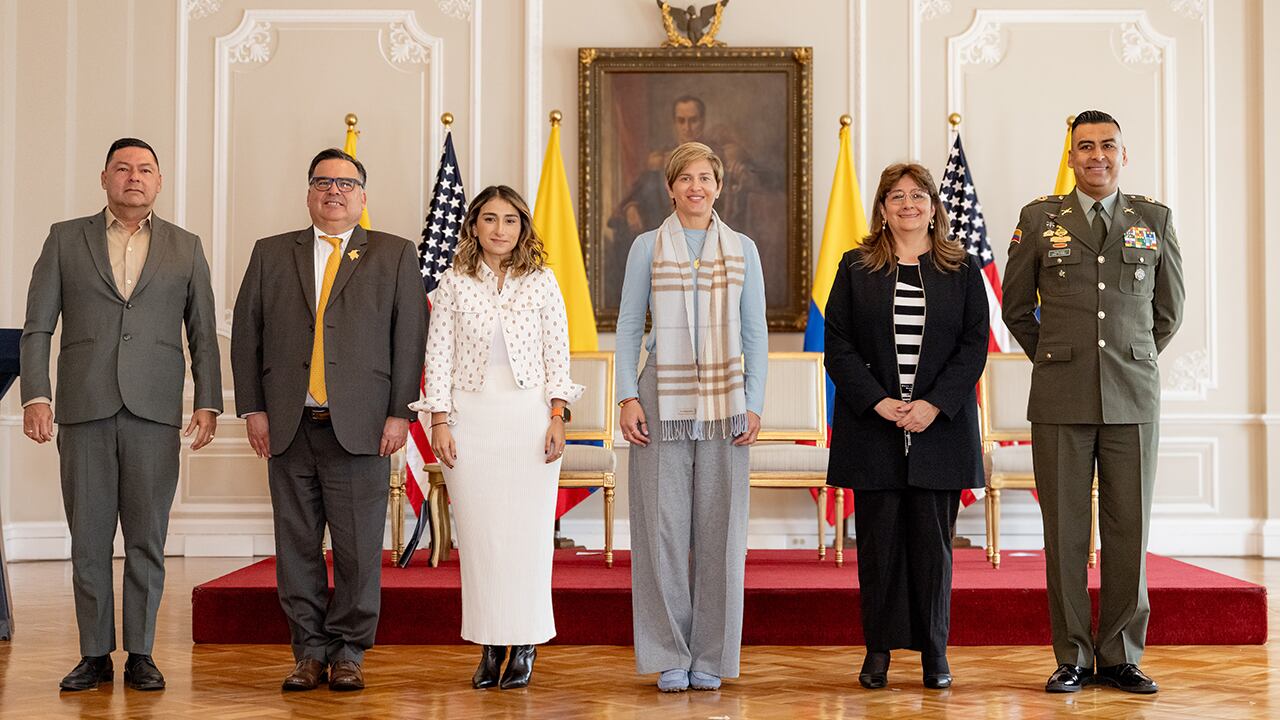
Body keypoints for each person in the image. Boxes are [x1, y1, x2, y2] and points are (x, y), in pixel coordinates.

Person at [20, 137, 222, 691]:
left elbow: (203, 333)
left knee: (146, 538)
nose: (134, 177)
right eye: (123, 168)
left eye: (145, 169)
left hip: (155, 411)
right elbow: (38, 325)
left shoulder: (186, 246)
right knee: (87, 537)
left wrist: (208, 401)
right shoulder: (65, 239)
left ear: (158, 182)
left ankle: (140, 653)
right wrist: (36, 395)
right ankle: (93, 654)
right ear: (104, 177)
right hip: (83, 407)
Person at [230, 148, 428, 692]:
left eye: (346, 183)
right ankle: (308, 652)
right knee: (296, 546)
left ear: (363, 197)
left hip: (362, 427)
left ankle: (348, 652)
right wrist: (255, 408)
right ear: (309, 193)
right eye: (322, 182)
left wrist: (399, 415)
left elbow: (409, 342)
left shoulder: (392, 254)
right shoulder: (272, 253)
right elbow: (247, 336)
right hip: (288, 426)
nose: (333, 191)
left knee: (358, 549)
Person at [1003, 110, 1185, 694]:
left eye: (1108, 145)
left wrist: (1127, 358)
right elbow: (1014, 308)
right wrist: (1058, 356)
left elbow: (1168, 312)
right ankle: (1074, 655)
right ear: (1071, 156)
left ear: (1123, 154)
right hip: (1060, 396)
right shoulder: (1040, 219)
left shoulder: (1152, 218)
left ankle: (1122, 655)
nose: (1097, 155)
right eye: (1085, 147)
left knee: (1129, 528)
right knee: (1065, 532)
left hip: (1132, 395)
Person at [823, 163, 989, 690]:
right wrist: (877, 402)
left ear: (935, 206)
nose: (909, 204)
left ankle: (935, 655)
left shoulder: (961, 270)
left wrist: (934, 405)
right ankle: (877, 653)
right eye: (897, 196)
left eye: (919, 195)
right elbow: (838, 346)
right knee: (878, 549)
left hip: (940, 431)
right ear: (882, 207)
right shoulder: (855, 267)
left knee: (934, 550)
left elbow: (972, 346)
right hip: (873, 430)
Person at [413, 185, 583, 690]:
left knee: (528, 538)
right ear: (474, 226)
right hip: (471, 422)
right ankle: (490, 646)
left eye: (510, 220)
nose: (500, 229)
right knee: (482, 539)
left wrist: (558, 414)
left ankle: (526, 642)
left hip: (529, 419)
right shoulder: (452, 283)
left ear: (523, 228)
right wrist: (439, 420)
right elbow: (436, 356)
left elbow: (559, 354)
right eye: (490, 219)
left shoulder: (542, 281)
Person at [616, 141, 768, 692]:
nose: (696, 187)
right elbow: (630, 327)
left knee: (721, 529)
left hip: (728, 401)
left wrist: (755, 402)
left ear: (719, 186)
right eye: (686, 179)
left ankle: (711, 655)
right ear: (671, 186)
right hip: (661, 398)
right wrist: (627, 397)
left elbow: (755, 332)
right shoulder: (644, 247)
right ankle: (669, 653)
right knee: (660, 527)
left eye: (706, 178)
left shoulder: (744, 248)